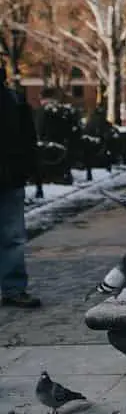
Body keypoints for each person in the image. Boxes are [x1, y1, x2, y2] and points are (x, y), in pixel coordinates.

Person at [0, 65, 42, 308]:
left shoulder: (15, 100)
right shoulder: (15, 100)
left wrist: (30, 172)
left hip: (11, 179)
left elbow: (28, 140)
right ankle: (14, 288)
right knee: (13, 237)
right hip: (13, 178)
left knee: (13, 237)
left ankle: (14, 289)